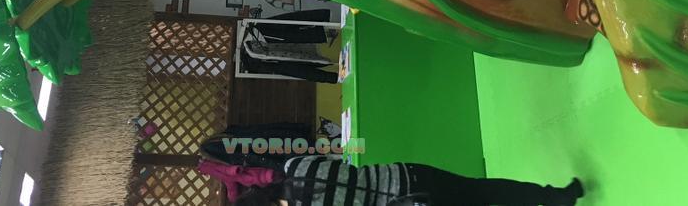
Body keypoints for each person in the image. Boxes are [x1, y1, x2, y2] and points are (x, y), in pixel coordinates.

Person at [232, 154, 585, 205]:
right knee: (480, 188)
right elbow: (341, 166)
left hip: (405, 205)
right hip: (405, 174)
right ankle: (555, 197)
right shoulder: (295, 165)